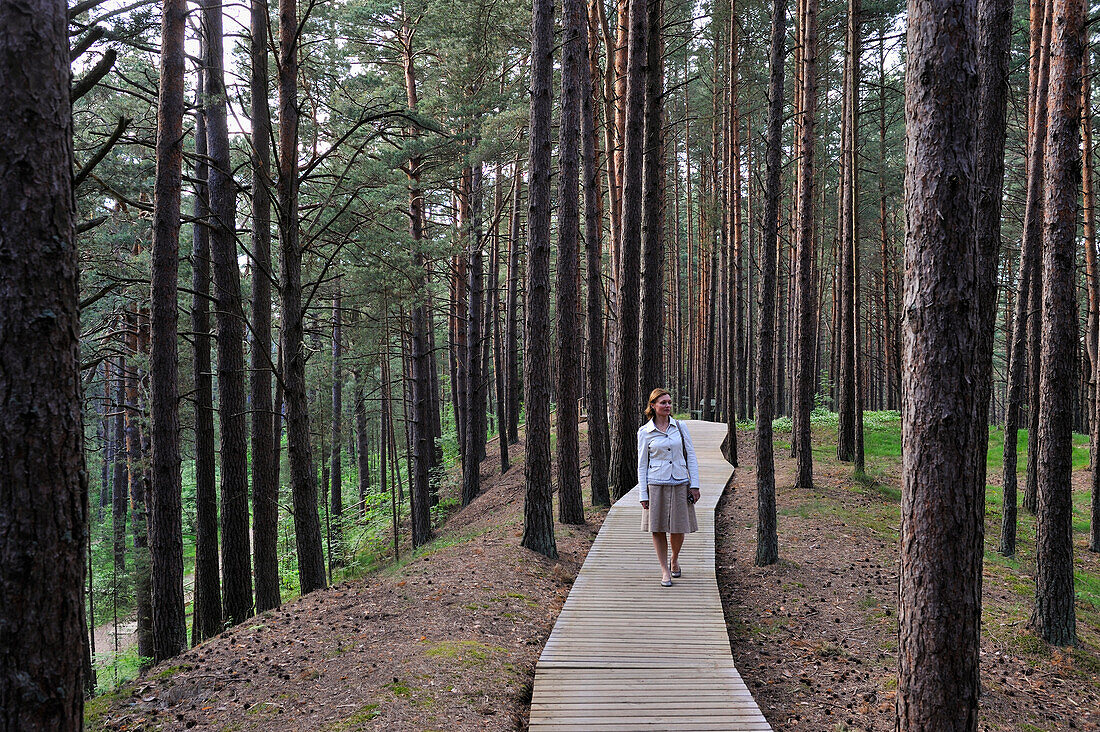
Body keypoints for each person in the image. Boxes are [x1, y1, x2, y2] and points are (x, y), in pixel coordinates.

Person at [637, 388, 701, 586]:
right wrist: (643, 493)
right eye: (663, 402)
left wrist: (695, 484)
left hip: (680, 482)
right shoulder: (645, 432)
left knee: (678, 527)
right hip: (656, 483)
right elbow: (641, 464)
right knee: (657, 528)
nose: (667, 406)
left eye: (669, 402)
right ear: (653, 406)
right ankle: (664, 570)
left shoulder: (680, 427)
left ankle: (675, 558)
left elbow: (690, 455)